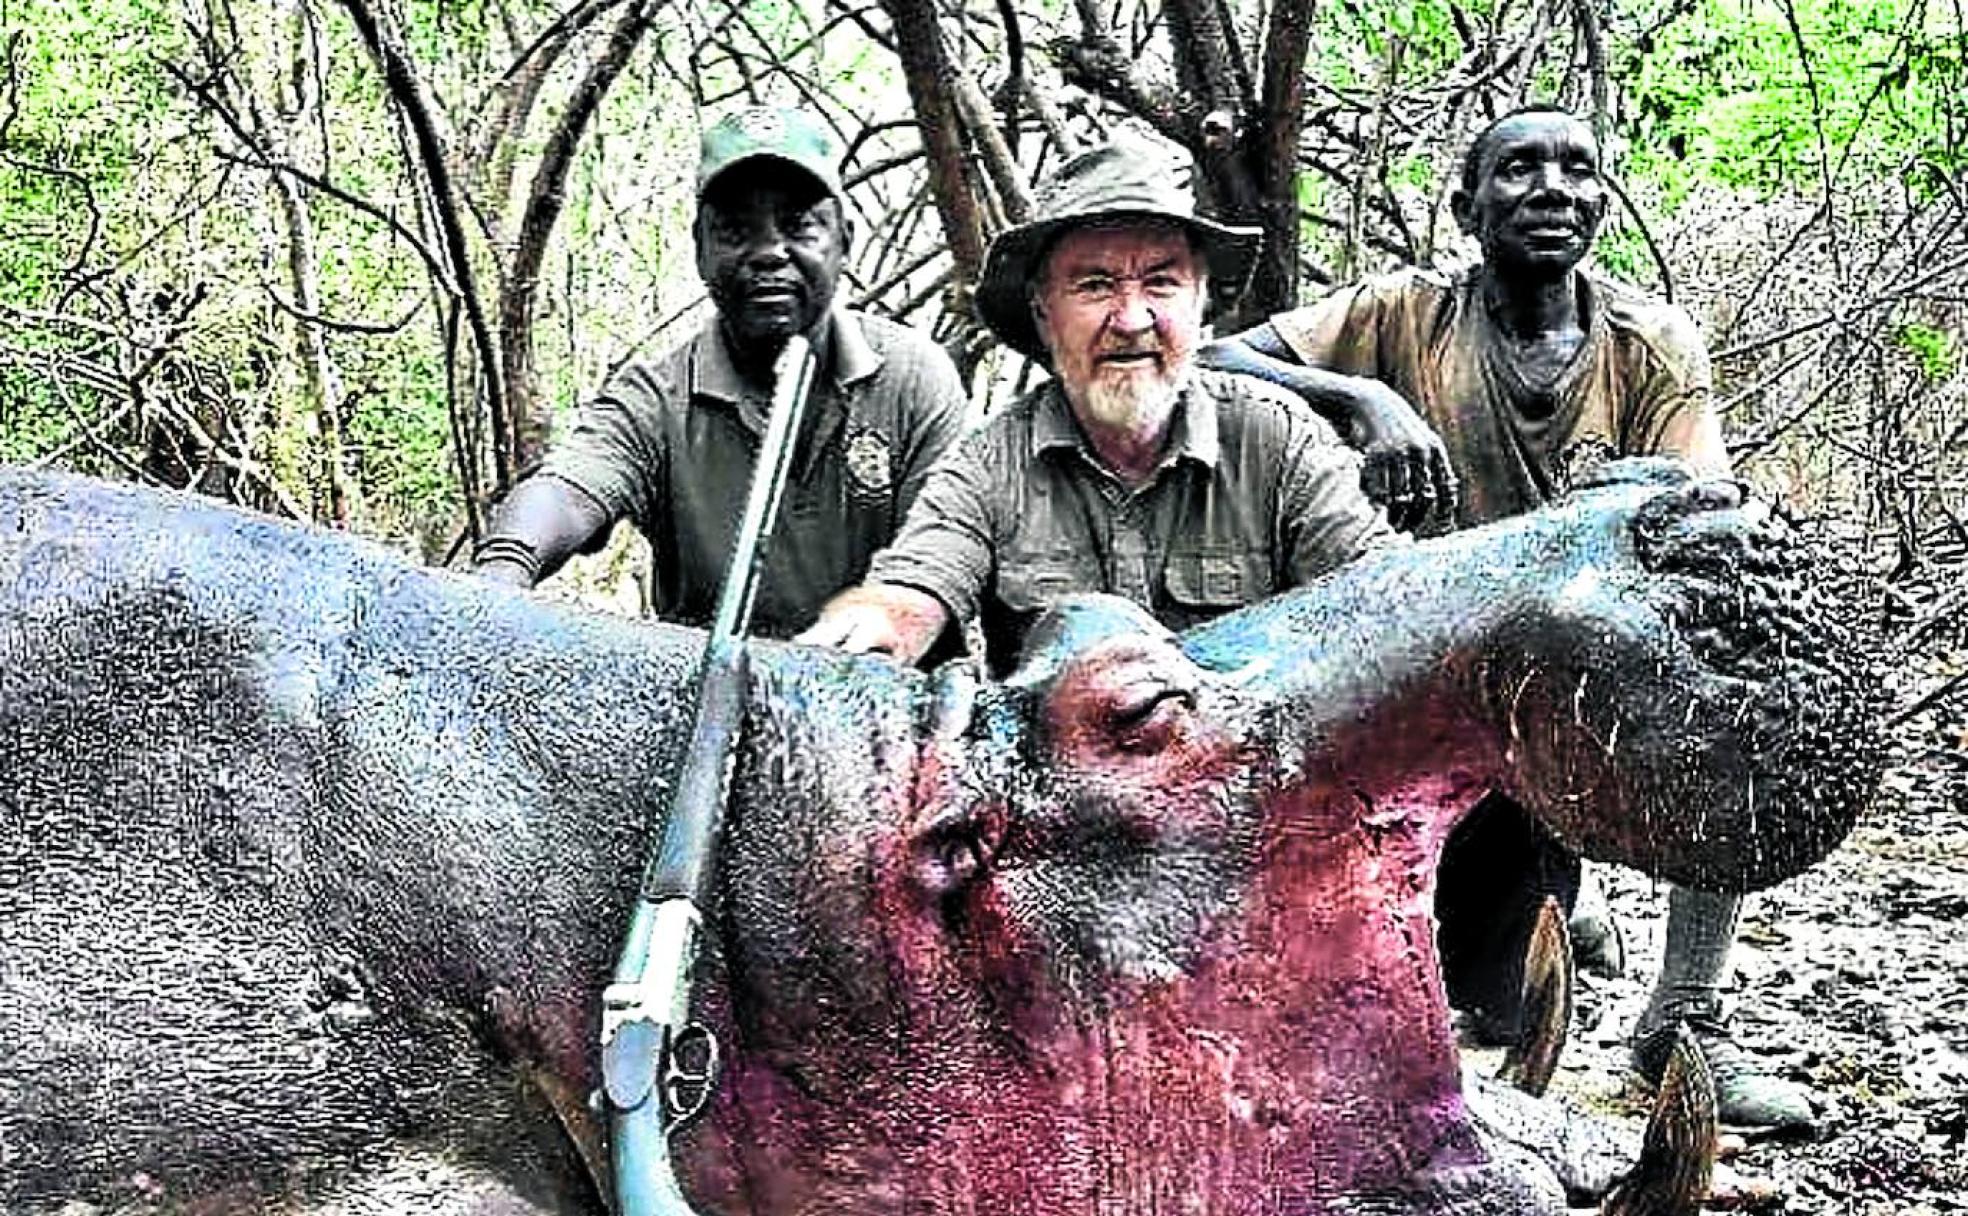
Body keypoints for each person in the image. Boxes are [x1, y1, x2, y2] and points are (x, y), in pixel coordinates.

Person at [1202, 106, 1814, 1133]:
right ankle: (1556, 906)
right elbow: (1213, 356)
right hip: (1432, 696)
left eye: (1578, 171)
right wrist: (1359, 396)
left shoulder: (1648, 343)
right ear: (1466, 206)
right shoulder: (1403, 314)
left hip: (1588, 685)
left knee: (1753, 691)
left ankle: (1688, 1014)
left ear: (1603, 205)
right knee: (1487, 1007)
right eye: (1519, 168)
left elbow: (1698, 514)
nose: (1552, 189)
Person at [796, 139, 1398, 672]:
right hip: (1065, 792)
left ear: (1201, 302)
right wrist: (863, 639)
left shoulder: (1279, 438)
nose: (1131, 320)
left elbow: (1387, 597)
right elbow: (913, 586)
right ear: (1042, 311)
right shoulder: (990, 465)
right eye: (1094, 286)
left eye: (1161, 283)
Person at [472, 106, 968, 640]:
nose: (770, 253)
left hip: (879, 687)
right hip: (705, 692)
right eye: (735, 231)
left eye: (798, 225)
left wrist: (889, 618)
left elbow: (943, 548)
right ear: (701, 251)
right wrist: (499, 574)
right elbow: (568, 490)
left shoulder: (915, 382)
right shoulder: (659, 399)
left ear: (844, 238)